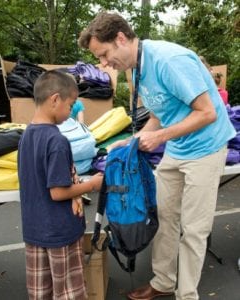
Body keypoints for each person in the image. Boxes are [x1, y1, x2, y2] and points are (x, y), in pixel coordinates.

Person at [78, 12, 236, 300]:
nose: (102, 64)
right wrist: (132, 140)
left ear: (121, 39)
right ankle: (163, 282)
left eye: (103, 54)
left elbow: (208, 113)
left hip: (206, 148)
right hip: (178, 148)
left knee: (194, 229)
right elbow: (159, 114)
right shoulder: (135, 67)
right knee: (162, 217)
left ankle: (186, 294)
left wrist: (159, 137)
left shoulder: (168, 60)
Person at [18, 70, 103, 299]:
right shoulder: (57, 140)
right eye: (71, 104)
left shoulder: (27, 134)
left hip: (35, 230)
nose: (70, 111)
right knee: (67, 291)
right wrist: (92, 184)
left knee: (41, 291)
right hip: (60, 232)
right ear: (55, 99)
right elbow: (58, 192)